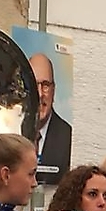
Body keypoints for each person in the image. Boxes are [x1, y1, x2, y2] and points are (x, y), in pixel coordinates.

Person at [30, 51, 72, 183]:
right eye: (34, 84)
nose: (40, 94)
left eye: (46, 85)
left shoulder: (68, 137)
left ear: (53, 90)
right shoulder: (12, 133)